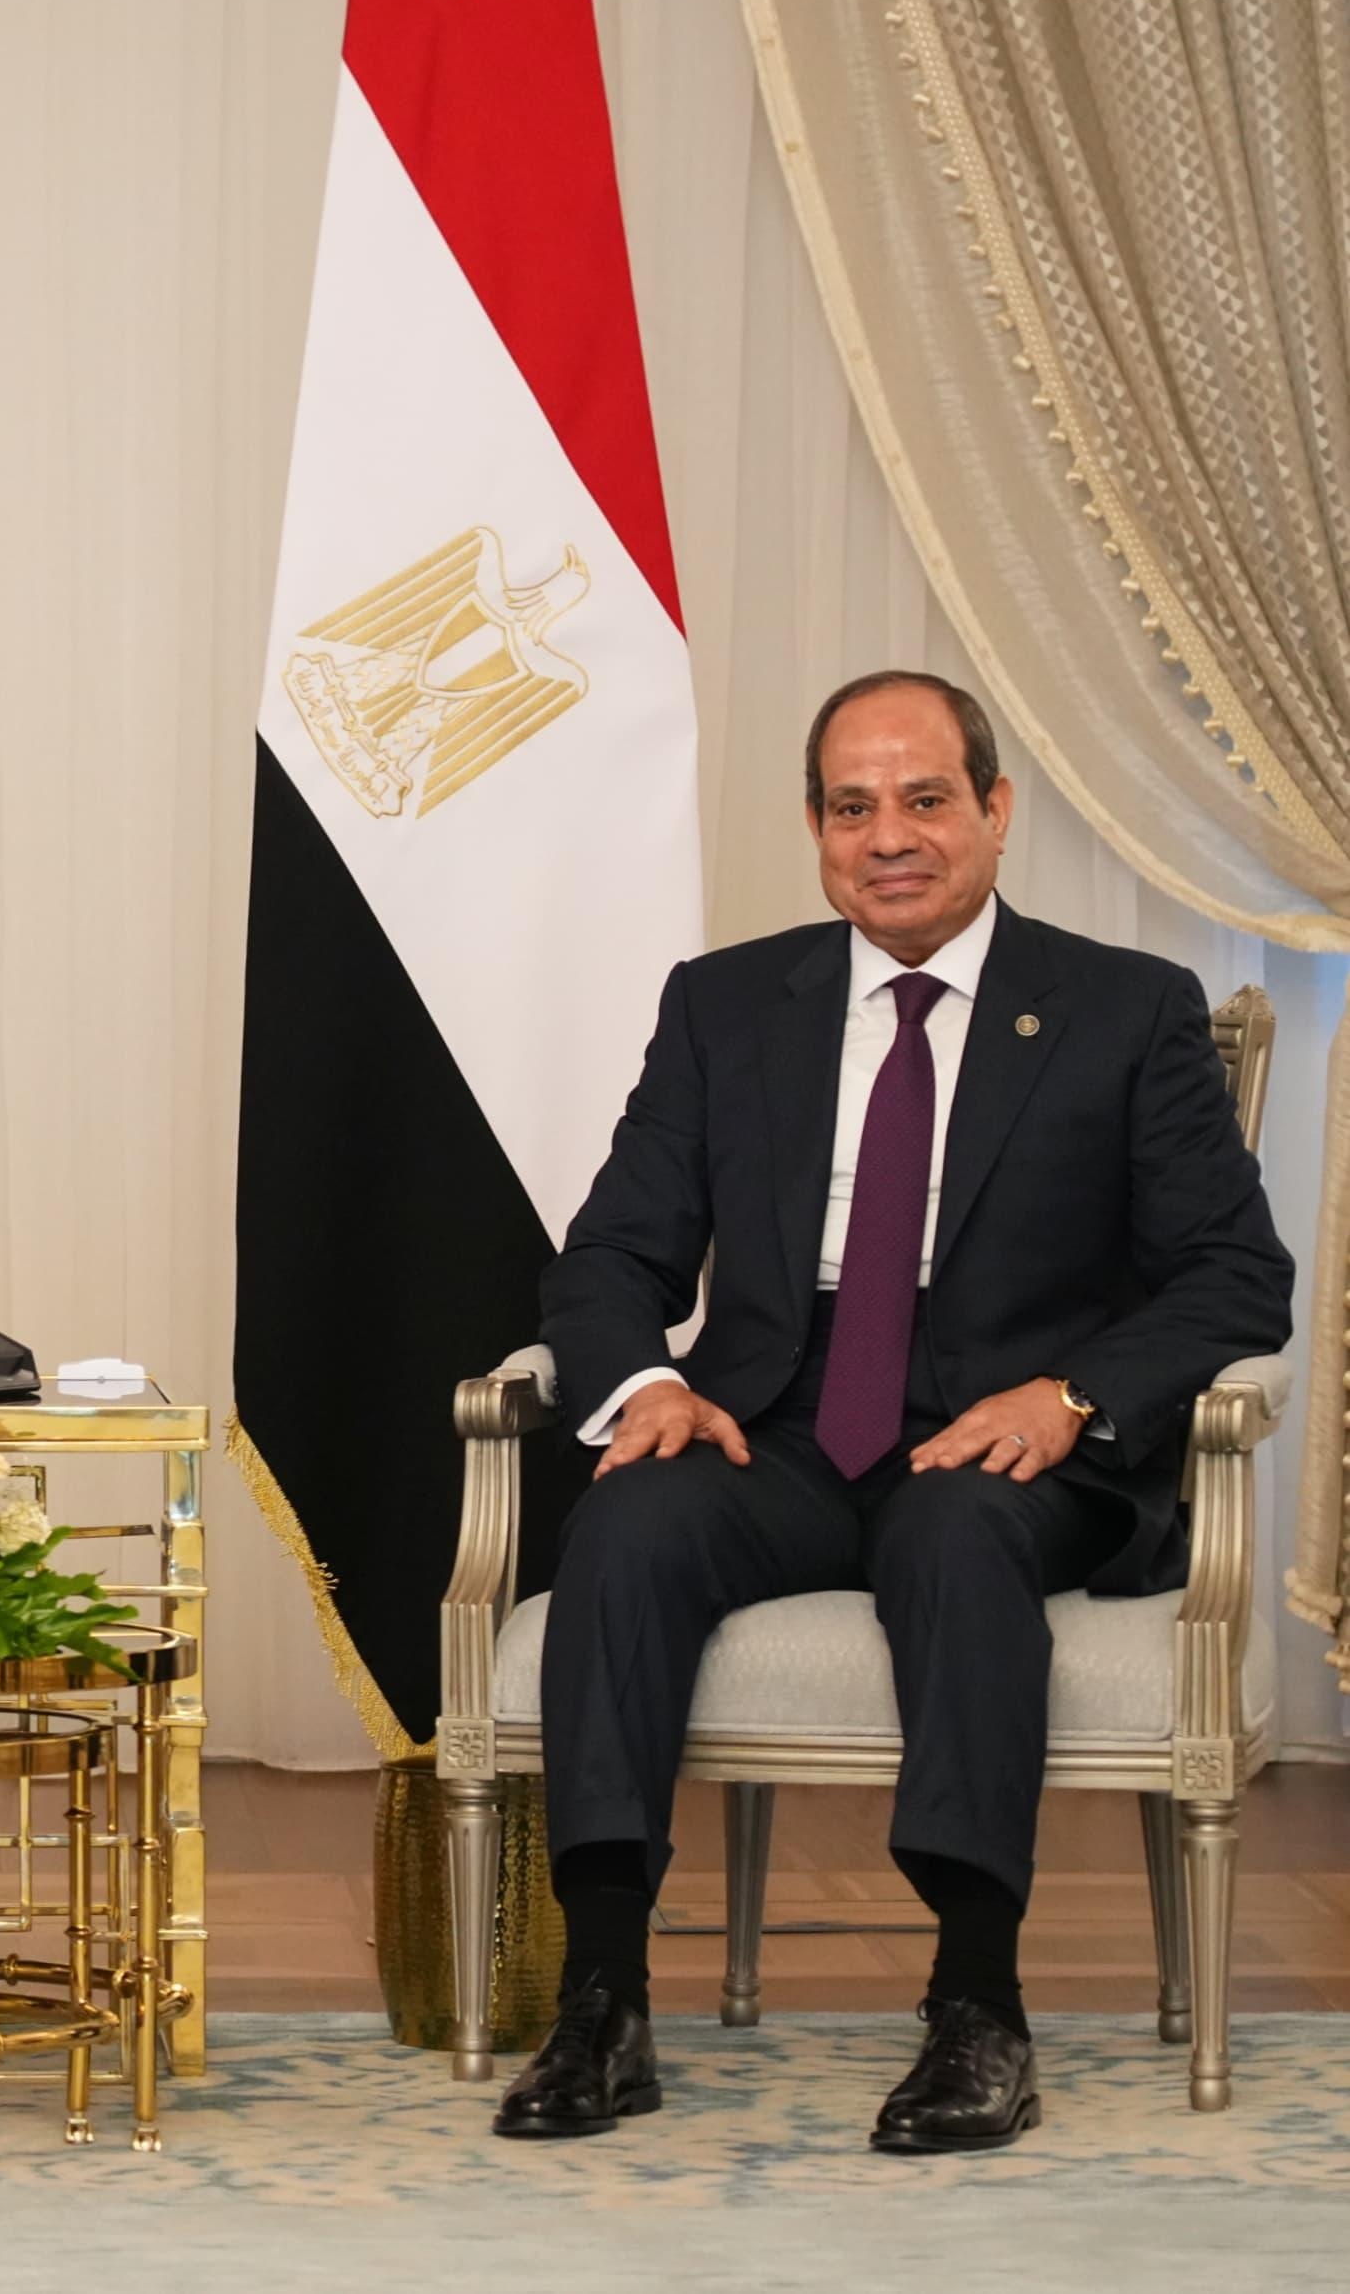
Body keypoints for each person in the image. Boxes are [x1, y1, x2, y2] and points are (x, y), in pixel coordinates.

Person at [495, 670, 1290, 2154]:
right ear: (815, 829)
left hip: (1011, 1433)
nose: (890, 837)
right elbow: (611, 1255)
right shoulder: (727, 1005)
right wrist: (650, 1384)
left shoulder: (1125, 1009)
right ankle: (603, 1999)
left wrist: (1073, 1396)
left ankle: (979, 2006)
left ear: (995, 809)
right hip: (779, 1419)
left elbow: (1236, 1275)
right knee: (630, 1521)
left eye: (926, 799)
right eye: (852, 808)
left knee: (956, 1533)